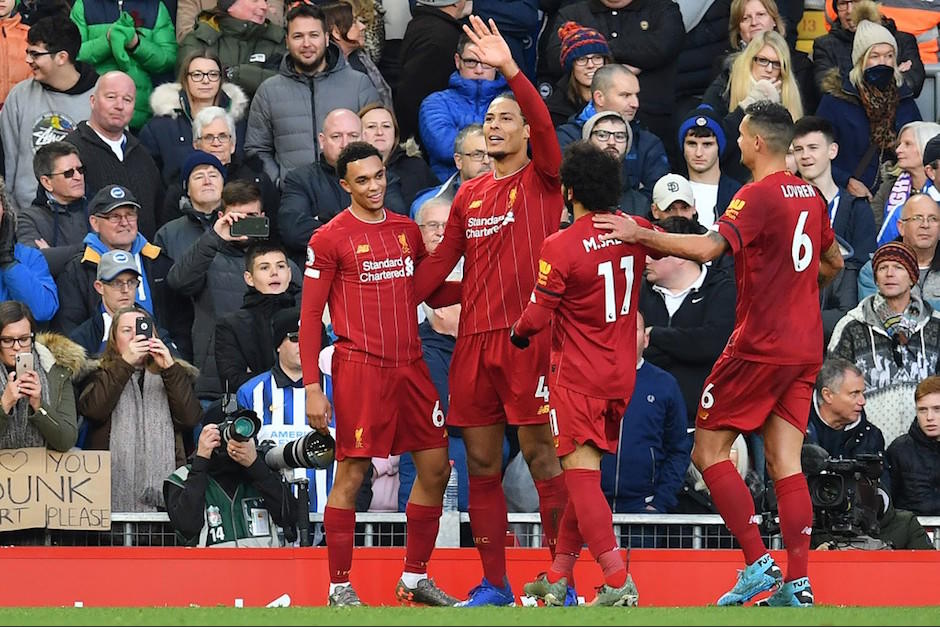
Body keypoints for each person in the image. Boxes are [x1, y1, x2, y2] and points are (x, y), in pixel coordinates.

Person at [594, 100, 844, 607]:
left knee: (708, 451)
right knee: (786, 462)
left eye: (742, 135)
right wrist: (795, 286)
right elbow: (833, 262)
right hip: (804, 346)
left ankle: (756, 564)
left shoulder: (754, 196)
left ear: (756, 143)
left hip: (760, 344)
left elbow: (709, 250)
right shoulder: (812, 197)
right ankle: (798, 583)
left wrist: (640, 233)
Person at [412, 17, 568, 606]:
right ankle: (496, 584)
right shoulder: (470, 195)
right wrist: (393, 299)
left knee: (539, 455)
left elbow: (548, 126)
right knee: (478, 463)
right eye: (490, 120)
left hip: (528, 339)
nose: (494, 127)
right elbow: (439, 269)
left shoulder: (544, 180)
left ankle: (559, 581)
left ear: (529, 130)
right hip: (473, 343)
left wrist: (509, 68)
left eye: (506, 119)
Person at [300, 141, 459, 607]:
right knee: (351, 472)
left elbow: (427, 291)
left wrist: (482, 286)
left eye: (379, 176)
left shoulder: (407, 231)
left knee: (436, 467)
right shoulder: (329, 238)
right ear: (345, 184)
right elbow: (310, 319)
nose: (374, 186)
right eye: (362, 180)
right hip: (361, 367)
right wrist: (313, 386)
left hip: (410, 364)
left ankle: (413, 579)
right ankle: (339, 587)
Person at [513, 141, 648, 607]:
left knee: (581, 480)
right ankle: (557, 576)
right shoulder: (636, 230)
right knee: (582, 475)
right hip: (621, 375)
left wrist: (516, 332)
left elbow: (536, 316)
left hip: (577, 378)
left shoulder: (562, 245)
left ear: (569, 190)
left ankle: (615, 580)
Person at [79, 306, 202, 512]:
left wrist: (170, 369)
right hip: (109, 494)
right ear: (114, 339)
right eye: (127, 330)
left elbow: (190, 418)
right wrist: (125, 363)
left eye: (142, 329)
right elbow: (94, 410)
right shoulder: (100, 373)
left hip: (167, 497)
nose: (136, 335)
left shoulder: (173, 373)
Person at [244, 2, 379, 184]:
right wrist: (279, 182)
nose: (306, 44)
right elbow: (256, 149)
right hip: (293, 199)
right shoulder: (268, 91)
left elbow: (376, 140)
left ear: (326, 38)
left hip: (352, 196)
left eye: (313, 35)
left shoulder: (359, 84)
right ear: (287, 41)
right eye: (298, 36)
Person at [829, 241, 940, 447]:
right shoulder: (851, 326)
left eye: (898, 267)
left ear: (912, 277)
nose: (889, 273)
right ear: (876, 278)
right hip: (867, 448)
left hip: (928, 451)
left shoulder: (935, 325)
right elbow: (831, 390)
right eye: (882, 268)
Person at [815, 4, 922, 200]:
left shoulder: (904, 99)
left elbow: (920, 150)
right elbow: (817, 151)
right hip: (850, 199)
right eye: (875, 56)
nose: (883, 62)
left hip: (896, 199)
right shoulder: (836, 101)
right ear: (860, 61)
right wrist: (847, 181)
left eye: (889, 56)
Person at [237, 306, 335, 515]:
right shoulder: (250, 392)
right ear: (278, 345)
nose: (304, 344)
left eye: (311, 337)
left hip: (329, 523)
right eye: (295, 337)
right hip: (268, 523)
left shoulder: (340, 391)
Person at [639, 217, 737, 426]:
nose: (646, 260)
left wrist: (655, 335)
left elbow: (712, 344)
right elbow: (630, 348)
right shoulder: (638, 293)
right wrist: (685, 348)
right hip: (647, 417)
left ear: (680, 254)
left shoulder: (722, 288)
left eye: (654, 253)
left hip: (704, 421)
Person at [0, 16, 97, 210]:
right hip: (27, 220)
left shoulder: (99, 98)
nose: (28, 60)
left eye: (35, 54)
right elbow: (6, 163)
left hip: (84, 220)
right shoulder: (19, 96)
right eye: (28, 52)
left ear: (61, 57)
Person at [164, 417, 298, 547]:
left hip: (262, 568)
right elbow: (186, 527)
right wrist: (201, 461)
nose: (235, 439)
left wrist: (255, 466)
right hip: (211, 568)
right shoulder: (182, 477)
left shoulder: (261, 472)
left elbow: (290, 518)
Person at [65, 71, 162, 239]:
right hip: (90, 260)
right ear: (93, 101)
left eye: (127, 99)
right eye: (111, 97)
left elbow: (157, 211)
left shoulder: (142, 154)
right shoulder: (69, 150)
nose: (119, 105)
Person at [138, 49, 249, 186]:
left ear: (221, 79)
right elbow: (149, 179)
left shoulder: (238, 121)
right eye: (197, 75)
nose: (206, 80)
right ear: (185, 79)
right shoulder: (160, 126)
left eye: (213, 74)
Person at [69, 0, 176, 130]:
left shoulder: (154, 6)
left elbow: (168, 59)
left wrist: (137, 44)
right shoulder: (84, 4)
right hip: (93, 112)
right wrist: (107, 41)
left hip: (141, 115)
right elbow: (72, 54)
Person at [418, 32, 508, 181]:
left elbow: (525, 143)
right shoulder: (435, 103)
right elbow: (444, 147)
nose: (479, 70)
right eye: (471, 62)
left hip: (504, 186)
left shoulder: (512, 102)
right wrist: (500, 139)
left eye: (486, 62)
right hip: (450, 189)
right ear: (458, 61)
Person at [0, 300, 82, 452]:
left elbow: (67, 440)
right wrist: (4, 404)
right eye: (7, 340)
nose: (17, 347)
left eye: (24, 339)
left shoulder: (54, 369)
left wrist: (39, 405)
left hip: (41, 473)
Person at [216, 243, 299, 393]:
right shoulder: (231, 325)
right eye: (264, 267)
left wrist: (255, 375)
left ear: (289, 273)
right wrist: (293, 374)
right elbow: (233, 381)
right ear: (249, 278)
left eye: (280, 266)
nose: (274, 273)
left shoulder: (307, 318)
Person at [68, 249, 178, 357]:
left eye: (131, 282)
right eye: (117, 283)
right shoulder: (82, 338)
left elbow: (183, 372)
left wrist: (169, 366)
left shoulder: (155, 329)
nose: (125, 290)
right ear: (99, 287)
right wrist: (125, 364)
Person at [19, 142, 90, 278]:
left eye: (80, 170)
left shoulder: (97, 209)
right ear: (47, 182)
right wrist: (93, 248)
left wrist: (54, 255)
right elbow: (34, 263)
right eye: (68, 173)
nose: (78, 177)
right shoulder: (28, 219)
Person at [359, 103, 438, 212]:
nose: (379, 132)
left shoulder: (417, 167)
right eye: (371, 126)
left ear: (395, 133)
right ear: (358, 134)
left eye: (386, 126)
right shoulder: (350, 172)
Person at [871, 122, 940, 245]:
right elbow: (872, 228)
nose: (898, 150)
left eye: (907, 144)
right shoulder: (889, 187)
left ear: (926, 147)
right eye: (899, 144)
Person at [886, 375, 940, 516]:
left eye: (937, 409)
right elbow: (888, 505)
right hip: (911, 533)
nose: (929, 417)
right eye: (922, 410)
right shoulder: (899, 450)